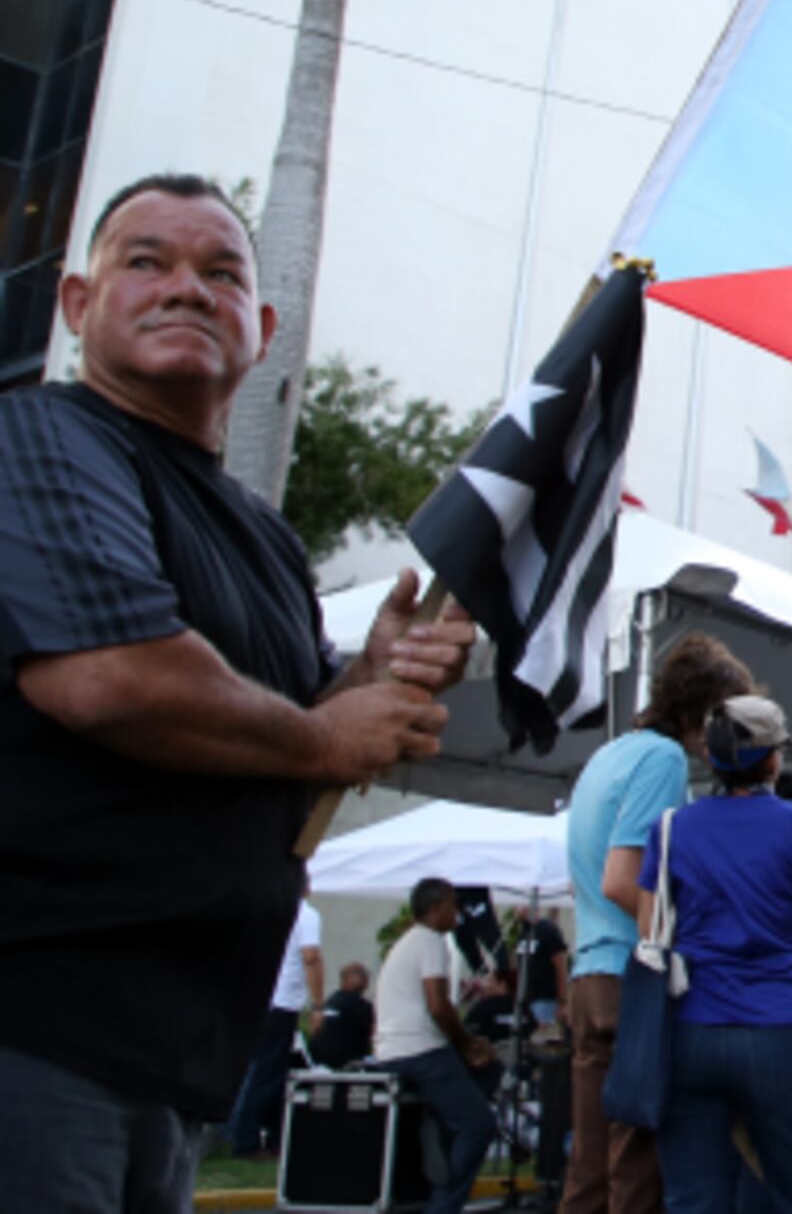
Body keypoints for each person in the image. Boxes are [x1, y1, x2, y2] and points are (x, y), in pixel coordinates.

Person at [0, 174, 472, 1211]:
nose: (185, 288)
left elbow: (292, 749)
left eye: (219, 273)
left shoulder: (265, 537)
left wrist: (372, 676)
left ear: (258, 329)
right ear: (79, 306)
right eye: (147, 261)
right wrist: (325, 732)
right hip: (37, 1026)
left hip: (169, 1060)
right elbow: (115, 677)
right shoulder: (44, 435)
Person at [562, 632, 755, 1214]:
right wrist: (686, 944)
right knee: (635, 1167)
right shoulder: (663, 759)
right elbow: (623, 879)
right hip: (631, 978)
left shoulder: (609, 754)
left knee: (589, 1171)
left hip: (589, 975)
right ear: (700, 713)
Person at [636, 696, 792, 1213]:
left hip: (692, 1032)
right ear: (772, 759)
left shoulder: (669, 829)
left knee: (693, 1200)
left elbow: (650, 931)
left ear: (711, 757)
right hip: (781, 1029)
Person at [376, 879, 502, 1214]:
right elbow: (438, 1006)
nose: (458, 913)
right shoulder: (432, 940)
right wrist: (466, 1044)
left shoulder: (405, 942)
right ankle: (443, 1206)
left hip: (391, 1051)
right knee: (479, 1125)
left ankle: (443, 1134)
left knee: (478, 1083)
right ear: (435, 909)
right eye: (453, 904)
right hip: (421, 1051)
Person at [228, 883, 325, 1156]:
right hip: (283, 1003)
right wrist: (317, 1004)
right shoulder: (307, 915)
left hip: (260, 999)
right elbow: (311, 957)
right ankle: (245, 1139)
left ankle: (270, 1135)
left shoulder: (270, 910)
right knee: (268, 1073)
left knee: (267, 1070)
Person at [310, 963, 378, 1070]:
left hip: (319, 1062)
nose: (366, 979)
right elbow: (376, 1033)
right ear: (347, 978)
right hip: (346, 1063)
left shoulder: (331, 1001)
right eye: (362, 975)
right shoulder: (359, 1005)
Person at [517, 906, 570, 1029]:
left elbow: (561, 963)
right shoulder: (523, 933)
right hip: (527, 998)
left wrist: (562, 999)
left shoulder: (546, 930)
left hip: (545, 997)